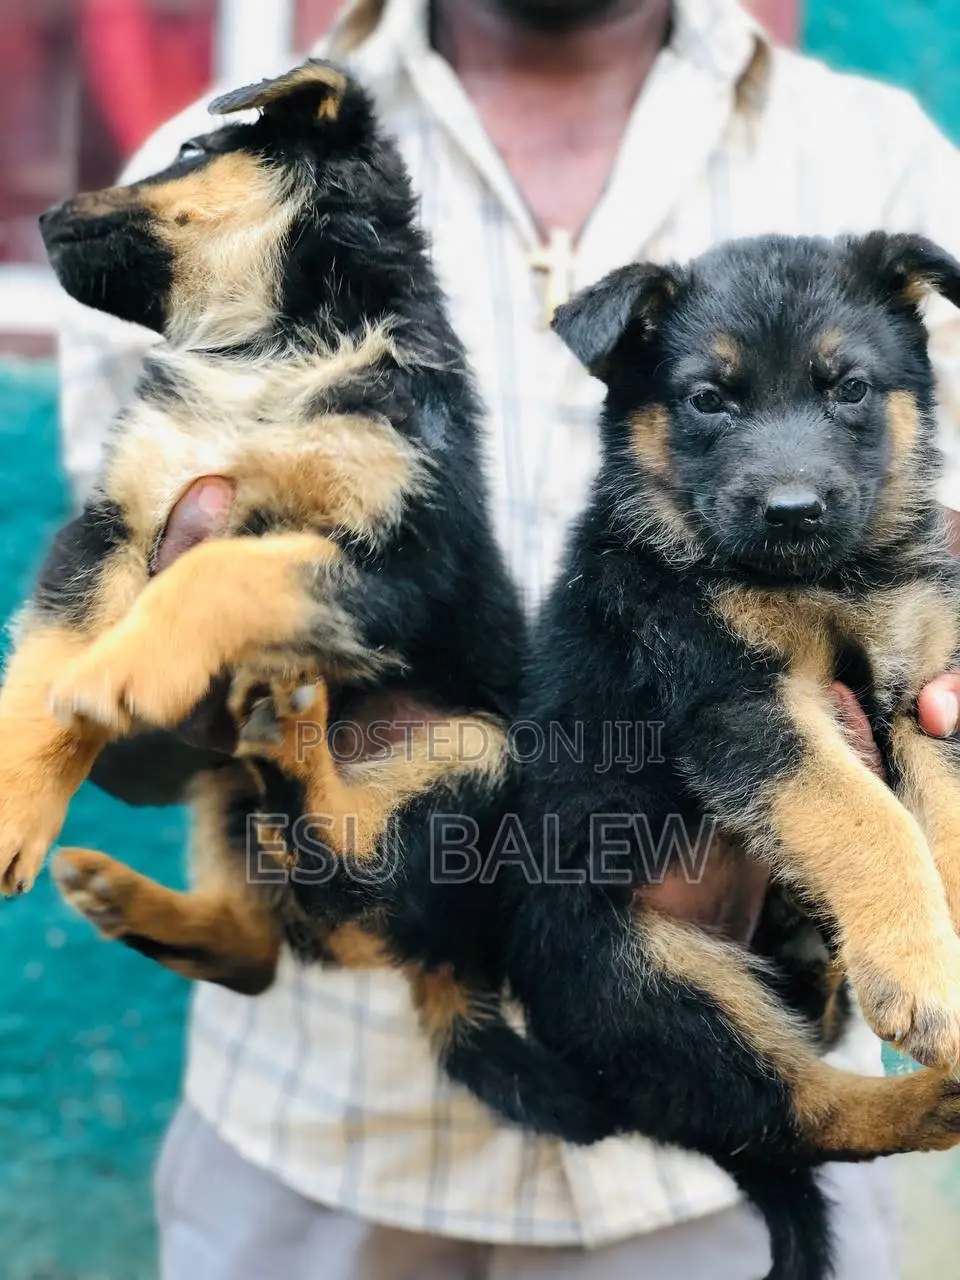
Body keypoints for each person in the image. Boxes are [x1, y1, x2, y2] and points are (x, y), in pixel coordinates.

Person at [58, 1, 960, 1276]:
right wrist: (177, 671)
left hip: (718, 1154)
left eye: (844, 394)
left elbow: (933, 623)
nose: (795, 474)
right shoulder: (222, 174)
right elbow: (118, 722)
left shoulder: (890, 159)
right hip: (316, 1141)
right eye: (710, 401)